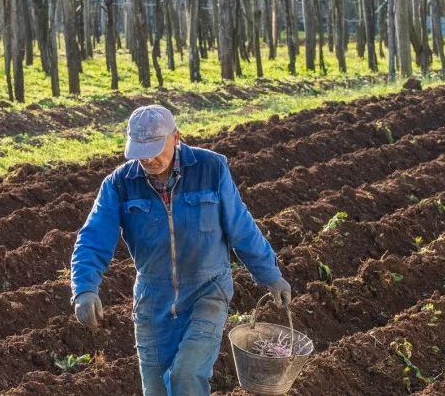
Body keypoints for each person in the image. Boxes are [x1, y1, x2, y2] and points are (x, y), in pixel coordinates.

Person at [71, 104, 292, 395]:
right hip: (153, 299)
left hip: (208, 290)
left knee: (186, 375)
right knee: (156, 389)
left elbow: (241, 227)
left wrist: (270, 275)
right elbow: (93, 238)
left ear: (175, 138)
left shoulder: (211, 169)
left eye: (154, 149)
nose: (147, 159)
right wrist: (85, 288)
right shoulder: (120, 184)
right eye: (140, 151)